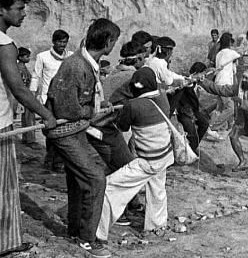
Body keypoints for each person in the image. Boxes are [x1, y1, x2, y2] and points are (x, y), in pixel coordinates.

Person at [45, 18, 121, 256]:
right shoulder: (76, 65)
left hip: (77, 130)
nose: (114, 46)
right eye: (114, 42)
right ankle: (87, 239)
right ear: (108, 42)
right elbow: (68, 108)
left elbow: (83, 101)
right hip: (66, 132)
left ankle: (75, 229)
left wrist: (99, 105)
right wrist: (93, 111)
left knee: (79, 179)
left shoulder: (87, 64)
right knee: (96, 177)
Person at [0, 0, 57, 256]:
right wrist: (47, 115)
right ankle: (7, 244)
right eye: (19, 9)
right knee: (6, 186)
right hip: (0, 124)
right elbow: (19, 89)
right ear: (2, 9)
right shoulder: (4, 45)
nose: (24, 14)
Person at [96, 67, 173, 243]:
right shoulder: (163, 98)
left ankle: (98, 233)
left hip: (147, 161)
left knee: (109, 188)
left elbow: (123, 127)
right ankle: (157, 226)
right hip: (165, 155)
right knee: (157, 189)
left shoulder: (133, 105)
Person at [199, 67, 248, 176]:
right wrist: (203, 81)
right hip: (244, 121)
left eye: (247, 78)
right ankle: (243, 161)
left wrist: (242, 102)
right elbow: (221, 90)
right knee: (233, 135)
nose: (244, 80)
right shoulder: (240, 88)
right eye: (244, 77)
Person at [31, 29, 72, 171]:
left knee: (64, 131)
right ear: (53, 42)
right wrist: (32, 96)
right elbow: (36, 76)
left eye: (65, 42)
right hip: (47, 100)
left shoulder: (71, 57)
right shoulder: (42, 57)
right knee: (50, 131)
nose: (63, 44)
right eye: (60, 42)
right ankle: (50, 160)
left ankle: (58, 162)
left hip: (65, 99)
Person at [169, 62, 210, 153]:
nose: (204, 76)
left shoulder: (195, 83)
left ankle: (192, 148)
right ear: (196, 73)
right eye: (202, 73)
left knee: (204, 123)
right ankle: (189, 150)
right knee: (192, 133)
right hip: (183, 111)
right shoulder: (185, 81)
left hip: (192, 110)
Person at [16, 47, 38, 147]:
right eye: (27, 56)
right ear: (20, 57)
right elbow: (21, 84)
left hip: (24, 95)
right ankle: (30, 140)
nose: (29, 58)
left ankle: (26, 138)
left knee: (27, 117)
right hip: (24, 95)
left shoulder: (20, 67)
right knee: (29, 117)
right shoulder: (20, 69)